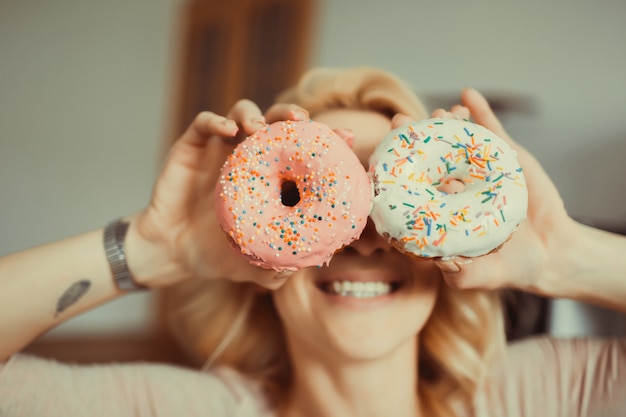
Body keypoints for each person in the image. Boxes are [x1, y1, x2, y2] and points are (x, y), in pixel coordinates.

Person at [0, 67, 625, 417]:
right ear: (255, 251)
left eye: (386, 207)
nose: (364, 242)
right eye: (316, 203)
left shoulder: (552, 393)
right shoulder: (174, 409)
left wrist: (563, 254)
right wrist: (151, 249)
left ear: (439, 251)